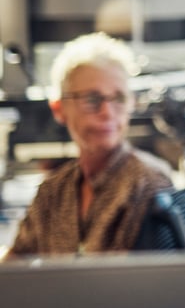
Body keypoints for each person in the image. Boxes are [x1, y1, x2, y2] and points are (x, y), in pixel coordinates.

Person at [5, 32, 175, 259]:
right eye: (92, 100)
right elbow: (15, 262)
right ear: (59, 109)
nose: (107, 112)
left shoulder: (149, 183)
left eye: (118, 98)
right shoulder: (53, 192)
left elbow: (149, 287)